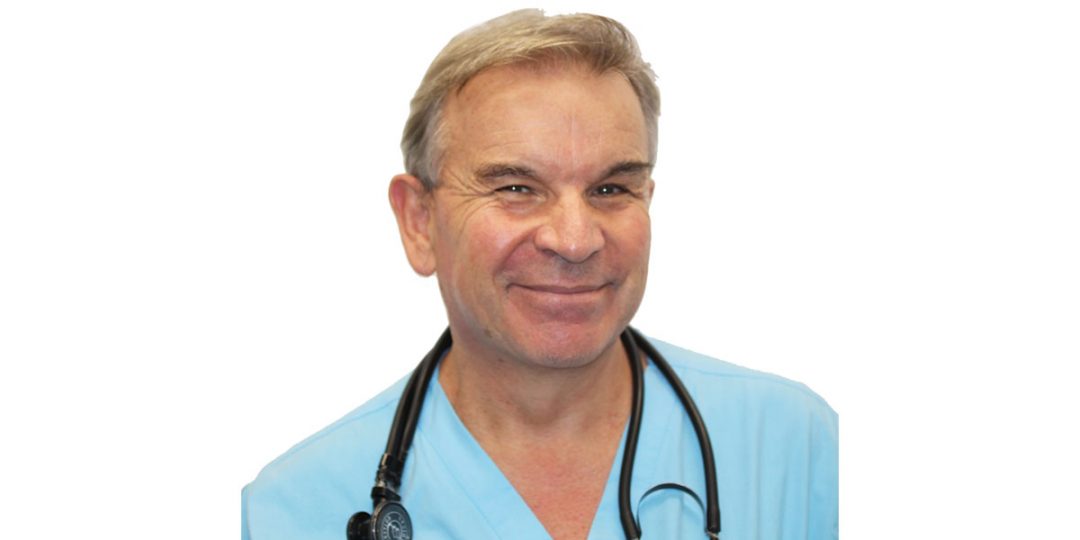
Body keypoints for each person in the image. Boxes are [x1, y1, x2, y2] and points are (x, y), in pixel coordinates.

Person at [242, 9, 837, 540]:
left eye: (611, 188)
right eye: (516, 188)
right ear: (419, 222)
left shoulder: (799, 449)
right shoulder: (287, 512)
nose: (575, 240)